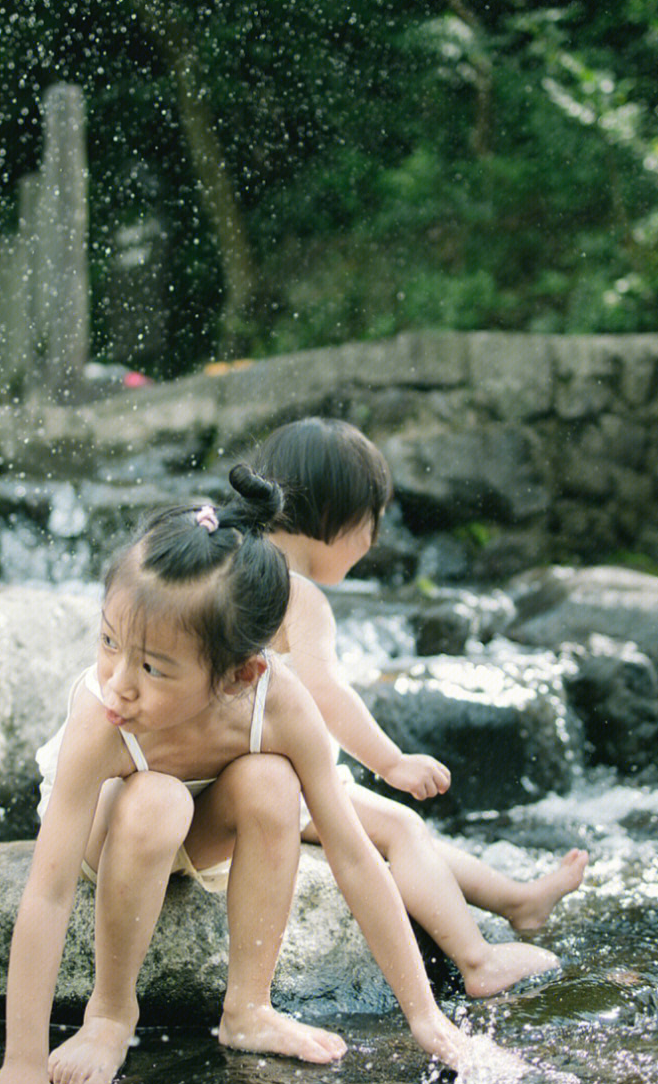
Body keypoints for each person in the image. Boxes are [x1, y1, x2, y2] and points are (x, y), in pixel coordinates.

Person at [0, 465, 519, 1084]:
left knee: (274, 783)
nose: (119, 680)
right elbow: (49, 887)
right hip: (114, 829)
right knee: (157, 797)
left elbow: (354, 852)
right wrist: (22, 1062)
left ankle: (248, 1008)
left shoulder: (280, 700)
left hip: (205, 826)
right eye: (109, 642)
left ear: (241, 672)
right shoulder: (104, 711)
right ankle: (113, 1013)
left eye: (152, 667)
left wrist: (428, 1019)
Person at [252, 417, 588, 999]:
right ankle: (478, 960)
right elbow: (326, 692)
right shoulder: (295, 593)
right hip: (264, 787)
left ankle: (515, 898)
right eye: (372, 520)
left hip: (228, 773)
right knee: (403, 825)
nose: (374, 541)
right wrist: (392, 762)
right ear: (338, 515)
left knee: (397, 835)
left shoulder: (237, 562)